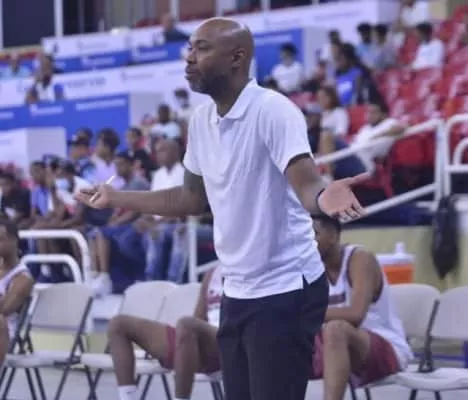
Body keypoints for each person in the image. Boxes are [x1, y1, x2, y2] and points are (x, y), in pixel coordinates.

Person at [77, 17, 367, 400]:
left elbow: (306, 182)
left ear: (237, 57)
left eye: (202, 48)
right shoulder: (201, 121)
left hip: (286, 289)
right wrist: (116, 197)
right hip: (238, 289)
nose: (189, 58)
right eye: (189, 48)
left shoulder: (273, 111)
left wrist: (324, 196)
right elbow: (190, 198)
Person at [311, 214, 413, 400]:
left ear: (333, 235)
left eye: (314, 234)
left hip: (385, 347)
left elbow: (356, 315)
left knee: (335, 329)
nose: (307, 242)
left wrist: (306, 314)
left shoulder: (360, 259)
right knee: (277, 333)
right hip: (337, 350)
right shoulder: (312, 267)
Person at [107, 263, 222, 400]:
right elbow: (199, 317)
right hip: (200, 339)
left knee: (186, 324)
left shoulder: (244, 272)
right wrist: (186, 343)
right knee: (118, 324)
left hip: (227, 341)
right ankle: (128, 397)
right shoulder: (212, 273)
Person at [0, 219, 34, 365]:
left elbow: (5, 309)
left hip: (6, 333)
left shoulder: (23, 278)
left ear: (13, 241)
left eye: (0, 240)